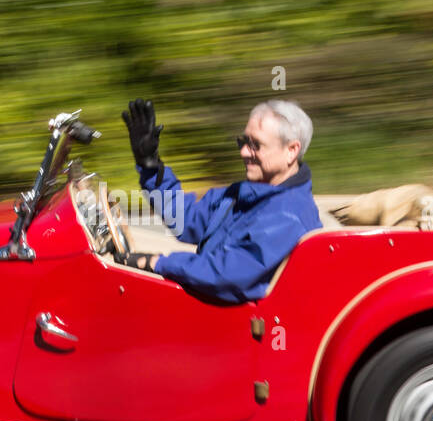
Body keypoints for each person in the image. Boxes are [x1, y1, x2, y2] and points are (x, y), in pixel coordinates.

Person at [115, 98, 322, 303]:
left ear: (291, 151)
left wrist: (159, 262)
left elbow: (228, 273)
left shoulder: (288, 214)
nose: (243, 152)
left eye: (255, 145)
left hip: (243, 328)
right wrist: (151, 166)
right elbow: (186, 220)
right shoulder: (245, 194)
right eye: (243, 142)